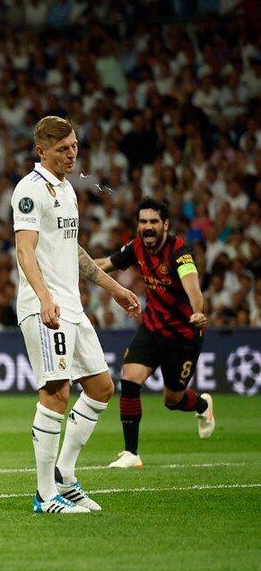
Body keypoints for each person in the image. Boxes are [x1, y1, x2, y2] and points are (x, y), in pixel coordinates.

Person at [11, 117, 141, 514]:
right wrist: (45, 297)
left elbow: (73, 250)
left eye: (74, 146)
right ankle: (44, 492)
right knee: (56, 393)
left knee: (102, 387)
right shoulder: (30, 191)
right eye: (63, 149)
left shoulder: (67, 191)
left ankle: (66, 477)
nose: (72, 154)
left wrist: (115, 287)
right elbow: (25, 250)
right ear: (42, 152)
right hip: (44, 307)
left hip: (72, 306)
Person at [93, 198, 213, 468]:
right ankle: (131, 453)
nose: (148, 227)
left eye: (154, 222)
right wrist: (74, 265)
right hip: (152, 328)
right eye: (143, 221)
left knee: (172, 400)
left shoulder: (179, 252)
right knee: (130, 378)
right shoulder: (136, 248)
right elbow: (105, 264)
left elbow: (192, 286)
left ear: (165, 225)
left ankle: (202, 406)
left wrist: (198, 311)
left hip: (184, 335)